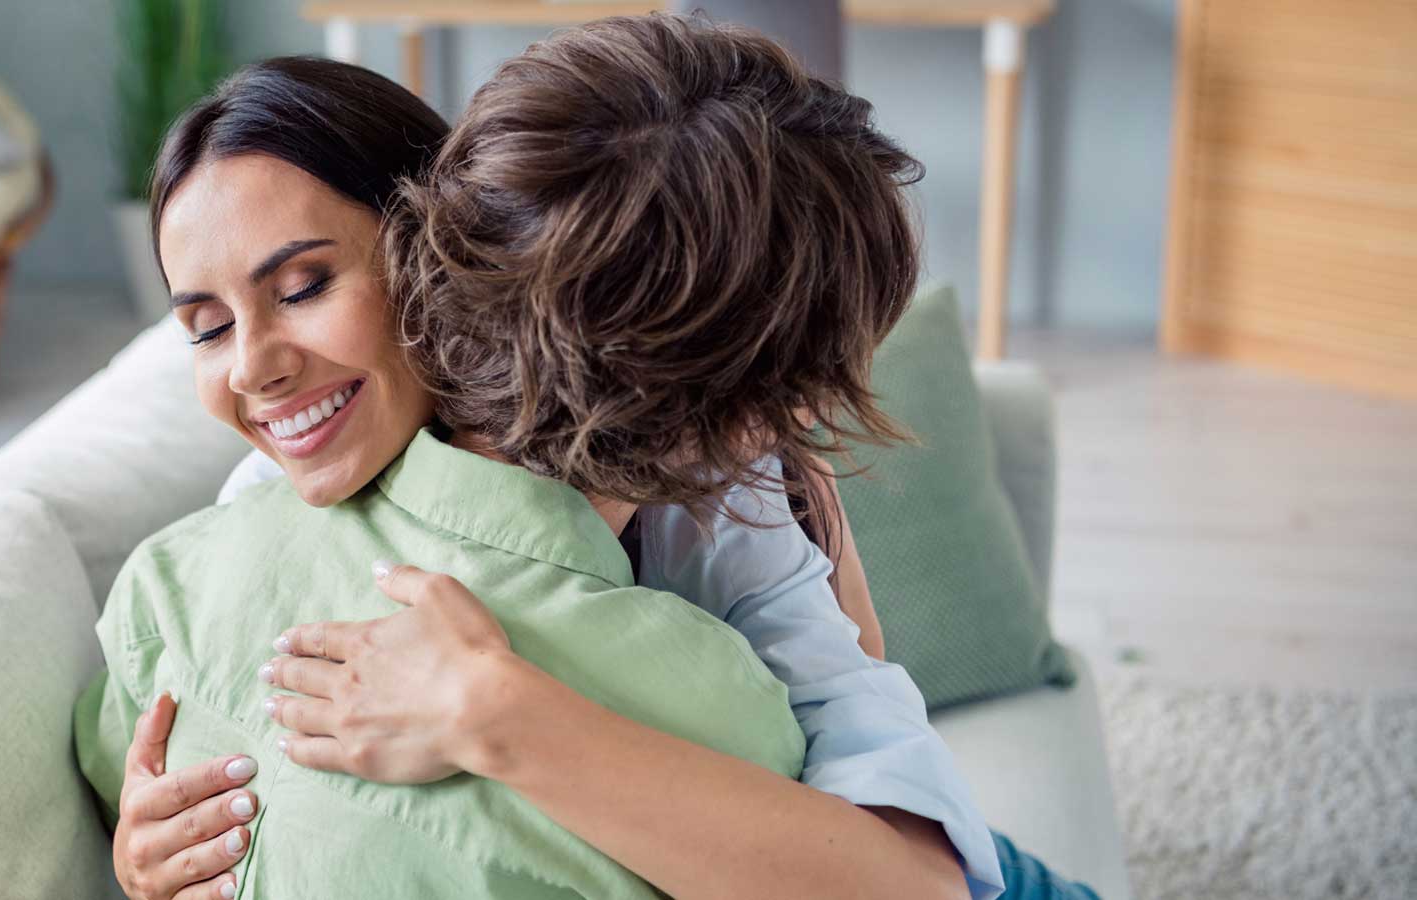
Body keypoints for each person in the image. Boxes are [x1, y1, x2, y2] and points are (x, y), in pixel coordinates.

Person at [87, 14, 1097, 900]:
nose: (261, 368)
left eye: (306, 285)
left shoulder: (729, 504)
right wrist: (146, 842)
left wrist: (493, 711)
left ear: (423, 243)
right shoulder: (268, 503)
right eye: (205, 324)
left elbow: (905, 861)